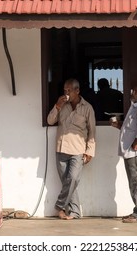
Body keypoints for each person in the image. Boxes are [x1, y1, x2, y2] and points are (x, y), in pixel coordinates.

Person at [47, 78, 96, 220]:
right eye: (65, 90)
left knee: (73, 179)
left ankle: (59, 207)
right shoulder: (62, 105)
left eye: (69, 90)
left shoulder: (87, 108)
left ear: (77, 91)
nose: (66, 93)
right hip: (61, 148)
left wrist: (90, 151)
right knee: (68, 183)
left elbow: (92, 131)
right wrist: (57, 106)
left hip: (78, 150)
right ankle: (75, 212)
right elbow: (50, 121)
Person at [111, 85, 137, 223]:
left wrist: (136, 141)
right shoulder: (134, 107)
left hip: (134, 151)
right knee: (134, 182)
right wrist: (119, 125)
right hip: (130, 150)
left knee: (136, 182)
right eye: (133, 90)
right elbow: (132, 127)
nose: (133, 93)